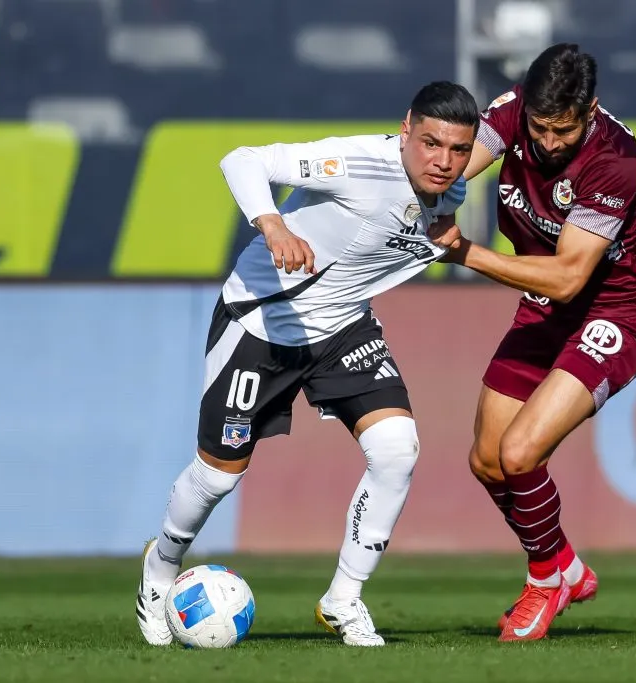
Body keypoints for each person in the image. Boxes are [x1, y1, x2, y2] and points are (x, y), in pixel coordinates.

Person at [135, 81, 479, 648]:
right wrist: (273, 225)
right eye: (431, 143)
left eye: (459, 150)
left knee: (397, 450)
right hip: (262, 324)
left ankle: (343, 599)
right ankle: (160, 568)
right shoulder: (357, 163)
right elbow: (243, 160)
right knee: (219, 474)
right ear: (406, 129)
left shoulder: (450, 190)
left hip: (343, 329)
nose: (444, 161)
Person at [429, 44, 636, 642]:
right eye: (540, 128)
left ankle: (544, 582)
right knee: (487, 460)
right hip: (545, 309)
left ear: (591, 110)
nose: (550, 142)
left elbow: (568, 277)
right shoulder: (512, 113)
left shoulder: (615, 158)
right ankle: (565, 565)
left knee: (520, 453)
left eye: (564, 130)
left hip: (614, 313)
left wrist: (465, 252)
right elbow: (449, 169)